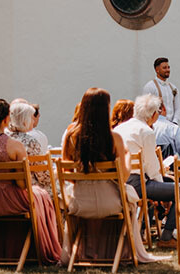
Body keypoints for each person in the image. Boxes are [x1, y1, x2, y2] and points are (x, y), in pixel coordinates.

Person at [62, 88, 164, 264]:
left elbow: (67, 175)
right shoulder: (113, 138)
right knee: (130, 201)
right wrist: (125, 157)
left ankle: (86, 251)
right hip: (110, 203)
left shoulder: (71, 137)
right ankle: (119, 252)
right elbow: (123, 178)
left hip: (79, 203)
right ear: (106, 109)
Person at [0, 99, 62, 264]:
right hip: (10, 203)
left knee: (38, 194)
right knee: (42, 195)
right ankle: (33, 251)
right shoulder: (14, 146)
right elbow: (22, 184)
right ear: (6, 120)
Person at [113, 94, 180, 248]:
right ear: (154, 114)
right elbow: (152, 167)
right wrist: (161, 193)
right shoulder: (146, 131)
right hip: (138, 183)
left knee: (168, 184)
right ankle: (167, 236)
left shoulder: (119, 128)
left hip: (119, 181)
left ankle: (146, 230)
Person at [6, 101, 50, 188]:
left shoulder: (4, 138)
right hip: (30, 188)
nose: (33, 121)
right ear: (24, 120)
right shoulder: (30, 142)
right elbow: (42, 176)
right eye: (31, 118)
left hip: (8, 187)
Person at [144, 57, 180, 125]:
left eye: (168, 67)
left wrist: (175, 121)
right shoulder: (150, 86)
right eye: (164, 68)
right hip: (156, 125)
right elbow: (146, 108)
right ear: (157, 70)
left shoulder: (173, 87)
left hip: (172, 124)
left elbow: (177, 107)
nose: (167, 70)